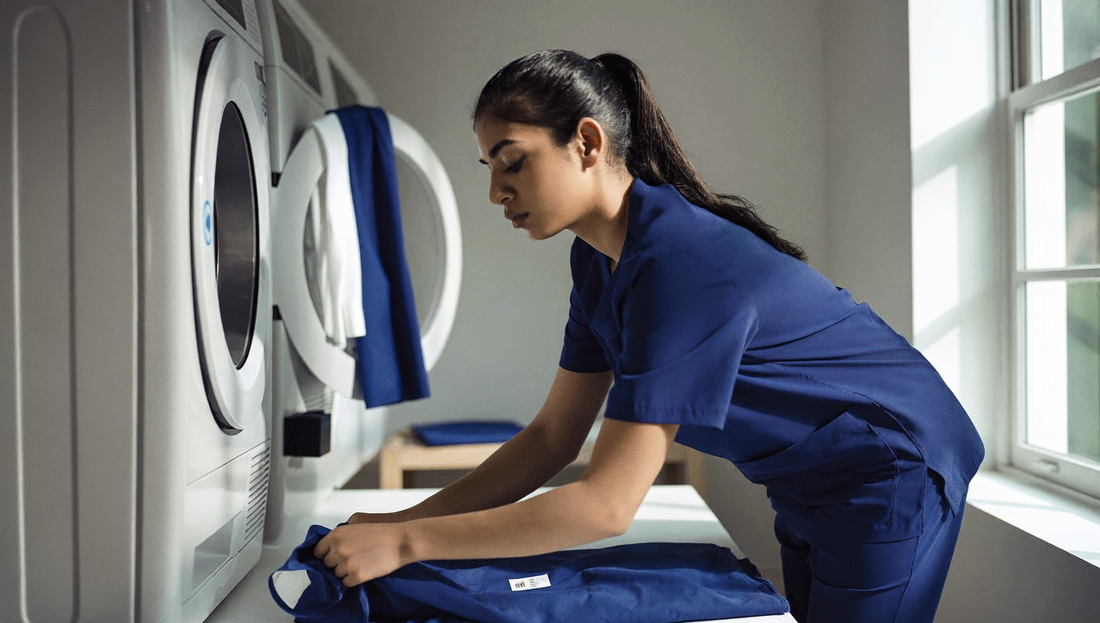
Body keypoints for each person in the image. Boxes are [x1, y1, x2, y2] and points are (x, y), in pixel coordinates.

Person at [314, 49, 985, 623]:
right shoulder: (597, 262)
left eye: (512, 162)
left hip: (893, 467)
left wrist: (409, 545)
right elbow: (551, 438)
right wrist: (404, 523)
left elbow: (607, 505)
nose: (495, 192)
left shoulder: (680, 265)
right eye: (488, 166)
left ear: (587, 143)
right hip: (802, 474)